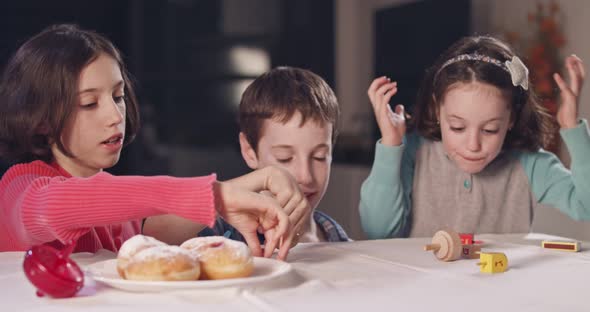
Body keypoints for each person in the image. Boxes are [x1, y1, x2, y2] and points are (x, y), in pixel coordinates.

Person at [0, 24, 302, 260]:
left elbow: (154, 230)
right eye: (89, 103)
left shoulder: (110, 195)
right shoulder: (21, 190)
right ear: (40, 119)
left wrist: (257, 180)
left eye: (118, 97)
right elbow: (60, 206)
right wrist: (218, 195)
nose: (116, 116)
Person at [360, 35, 590, 239]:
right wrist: (391, 145)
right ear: (436, 109)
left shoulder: (530, 164)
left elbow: (586, 206)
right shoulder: (414, 151)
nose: (473, 146)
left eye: (490, 130)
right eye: (457, 127)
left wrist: (573, 129)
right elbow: (378, 231)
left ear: (511, 119)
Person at [197, 66, 350, 243]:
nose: (305, 176)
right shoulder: (219, 235)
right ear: (249, 151)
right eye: (284, 158)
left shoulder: (335, 236)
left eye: (319, 157)